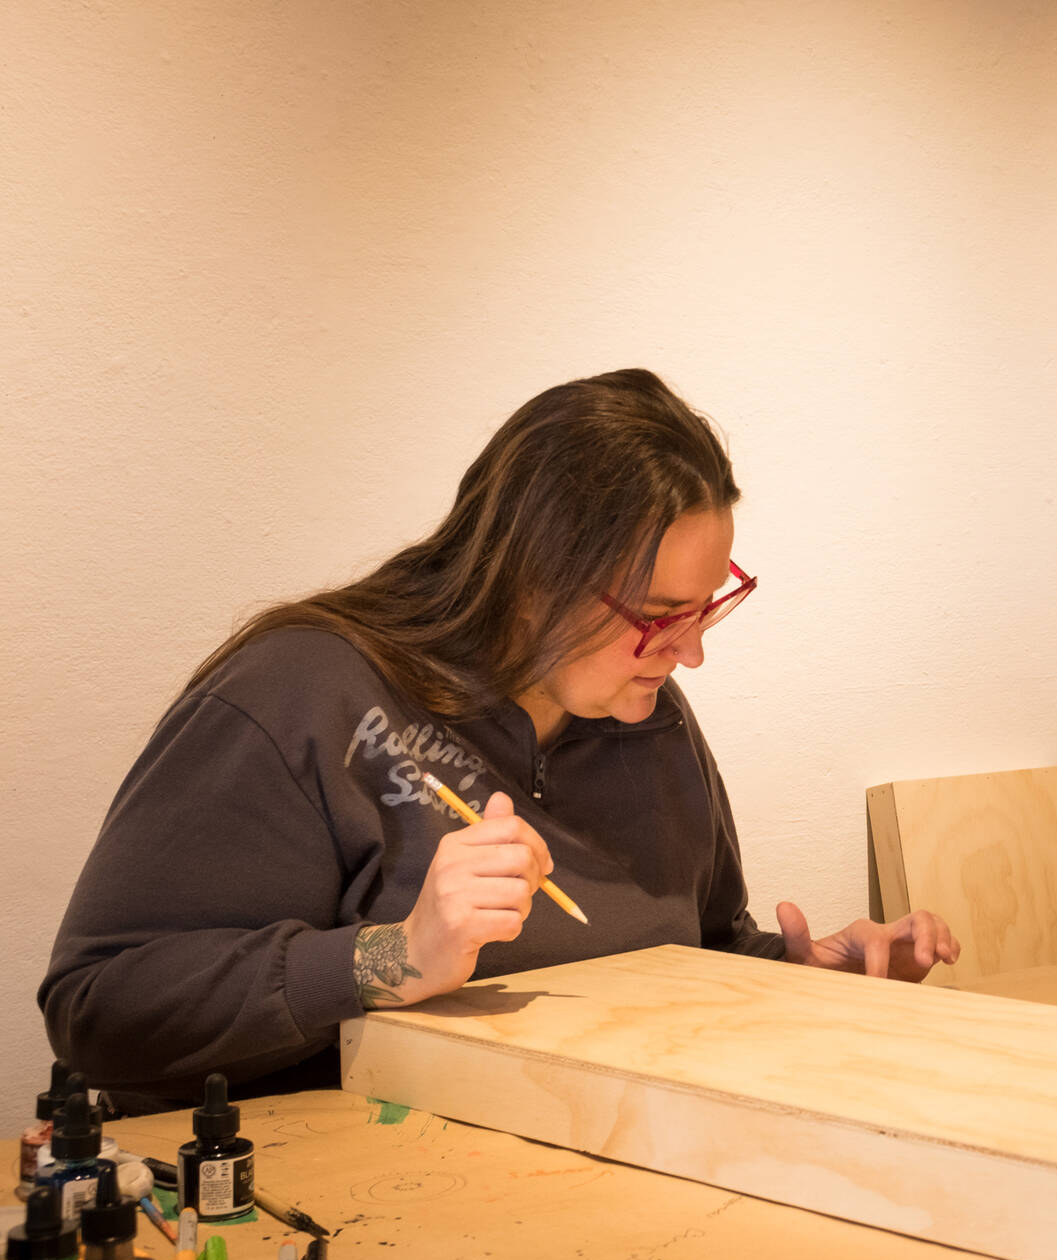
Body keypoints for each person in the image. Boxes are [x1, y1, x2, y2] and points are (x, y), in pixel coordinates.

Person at [42, 369, 958, 1113]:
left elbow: (689, 955)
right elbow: (98, 1007)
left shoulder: (652, 715)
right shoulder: (307, 694)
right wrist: (389, 957)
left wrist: (797, 973)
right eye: (660, 616)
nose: (694, 652)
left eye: (711, 604)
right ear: (534, 579)